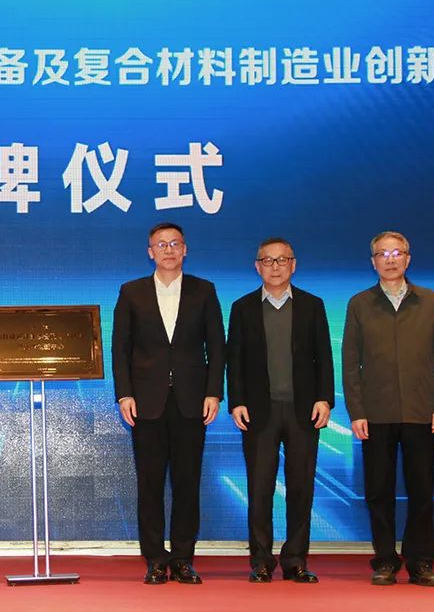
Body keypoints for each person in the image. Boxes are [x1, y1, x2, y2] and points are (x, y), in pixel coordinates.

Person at [112, 222, 225, 585]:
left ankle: (183, 558)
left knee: (187, 483)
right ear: (150, 252)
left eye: (175, 243)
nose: (169, 250)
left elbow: (216, 346)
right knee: (150, 484)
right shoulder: (131, 292)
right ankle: (155, 559)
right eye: (161, 245)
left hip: (192, 401)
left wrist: (214, 392)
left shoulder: (204, 290)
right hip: (146, 403)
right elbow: (120, 348)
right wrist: (125, 394)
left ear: (185, 249)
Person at [342, 231, 434, 587]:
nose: (390, 259)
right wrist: (356, 411)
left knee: (421, 490)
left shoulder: (430, 301)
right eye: (382, 253)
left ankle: (421, 561)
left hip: (421, 411)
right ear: (372, 261)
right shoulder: (359, 304)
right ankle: (385, 561)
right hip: (376, 413)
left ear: (408, 258)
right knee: (379, 491)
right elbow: (350, 363)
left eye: (397, 253)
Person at [226, 237, 333, 584]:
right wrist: (237, 401)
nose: (275, 267)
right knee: (259, 490)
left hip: (304, 411)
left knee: (301, 488)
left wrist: (324, 399)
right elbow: (234, 361)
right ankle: (261, 560)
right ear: (257, 266)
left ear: (293, 264)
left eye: (282, 260)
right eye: (268, 260)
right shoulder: (242, 308)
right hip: (260, 412)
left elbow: (324, 357)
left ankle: (295, 560)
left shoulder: (312, 305)